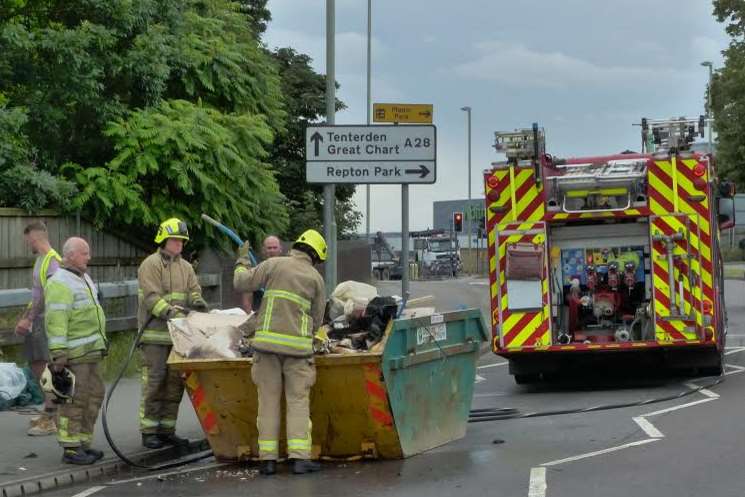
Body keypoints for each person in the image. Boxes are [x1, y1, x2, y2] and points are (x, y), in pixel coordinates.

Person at [233, 229, 326, 476]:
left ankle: (268, 461)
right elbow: (317, 320)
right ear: (315, 256)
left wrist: (242, 261)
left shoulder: (272, 264)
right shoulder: (316, 278)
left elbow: (241, 282)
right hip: (297, 352)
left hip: (266, 349)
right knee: (297, 402)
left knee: (268, 402)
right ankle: (298, 459)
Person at [137, 218, 208, 449]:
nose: (180, 244)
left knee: (174, 384)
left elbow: (194, 290)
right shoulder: (151, 264)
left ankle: (167, 430)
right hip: (155, 337)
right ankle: (149, 431)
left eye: (182, 241)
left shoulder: (185, 267)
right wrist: (170, 313)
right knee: (155, 383)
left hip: (178, 337)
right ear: (164, 239)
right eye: (176, 240)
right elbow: (150, 298)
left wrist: (197, 302)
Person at [44, 237, 107, 465]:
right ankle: (70, 448)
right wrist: (59, 353)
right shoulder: (60, 282)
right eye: (84, 253)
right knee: (74, 401)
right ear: (70, 255)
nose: (88, 257)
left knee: (93, 396)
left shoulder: (83, 278)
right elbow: (56, 320)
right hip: (74, 355)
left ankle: (83, 443)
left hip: (90, 354)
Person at [15, 221, 62, 436]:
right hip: (38, 320)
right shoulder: (41, 261)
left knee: (44, 369)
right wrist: (26, 317)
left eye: (28, 241)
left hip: (45, 321)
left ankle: (52, 417)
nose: (27, 245)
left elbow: (46, 295)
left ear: (34, 238)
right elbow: (35, 294)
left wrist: (30, 318)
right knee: (39, 367)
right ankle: (50, 413)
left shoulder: (52, 261)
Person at [243, 235, 284, 312]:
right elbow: (247, 298)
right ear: (263, 250)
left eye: (275, 248)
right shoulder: (256, 270)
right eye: (269, 248)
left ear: (280, 249)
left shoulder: (287, 269)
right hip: (259, 315)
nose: (272, 250)